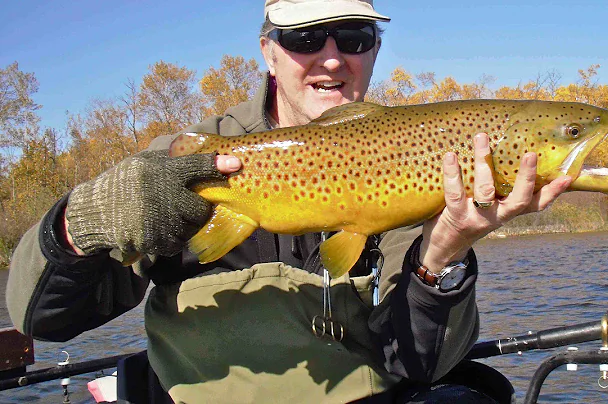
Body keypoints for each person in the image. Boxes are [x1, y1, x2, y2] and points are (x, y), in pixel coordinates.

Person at [6, 1, 571, 403]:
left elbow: (416, 362)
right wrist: (82, 225)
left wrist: (445, 252)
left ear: (374, 51)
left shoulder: (413, 166)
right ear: (268, 52)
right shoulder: (186, 162)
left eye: (353, 37)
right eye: (305, 40)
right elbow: (44, 319)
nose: (331, 59)